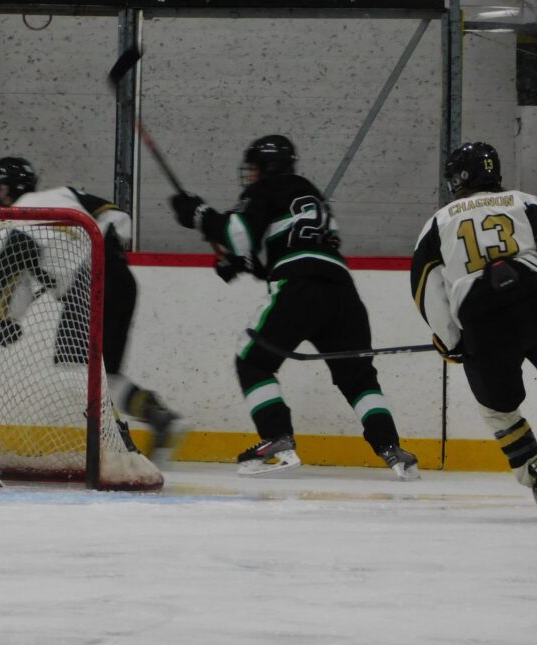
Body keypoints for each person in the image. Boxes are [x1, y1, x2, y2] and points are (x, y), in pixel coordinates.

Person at [170, 134, 419, 479]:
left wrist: (199, 215)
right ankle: (393, 450)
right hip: (343, 292)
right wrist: (242, 263)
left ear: (267, 168)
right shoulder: (310, 195)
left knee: (252, 360)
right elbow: (282, 247)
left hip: (300, 287)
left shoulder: (267, 188)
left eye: (255, 168)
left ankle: (277, 439)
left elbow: (239, 233)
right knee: (358, 377)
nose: (252, 176)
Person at [0, 156, 180, 463]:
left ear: (3, 191)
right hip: (121, 279)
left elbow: (13, 290)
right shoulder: (66, 195)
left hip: (84, 290)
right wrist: (96, 248)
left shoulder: (7, 228)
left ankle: (119, 444)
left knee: (75, 370)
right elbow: (119, 218)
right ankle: (157, 416)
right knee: (106, 375)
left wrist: (2, 320)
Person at [411, 141, 537, 499]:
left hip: (482, 320)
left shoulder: (438, 222)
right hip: (533, 299)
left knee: (499, 409)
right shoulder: (526, 203)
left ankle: (533, 469)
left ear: (462, 177)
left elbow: (427, 291)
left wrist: (450, 341)